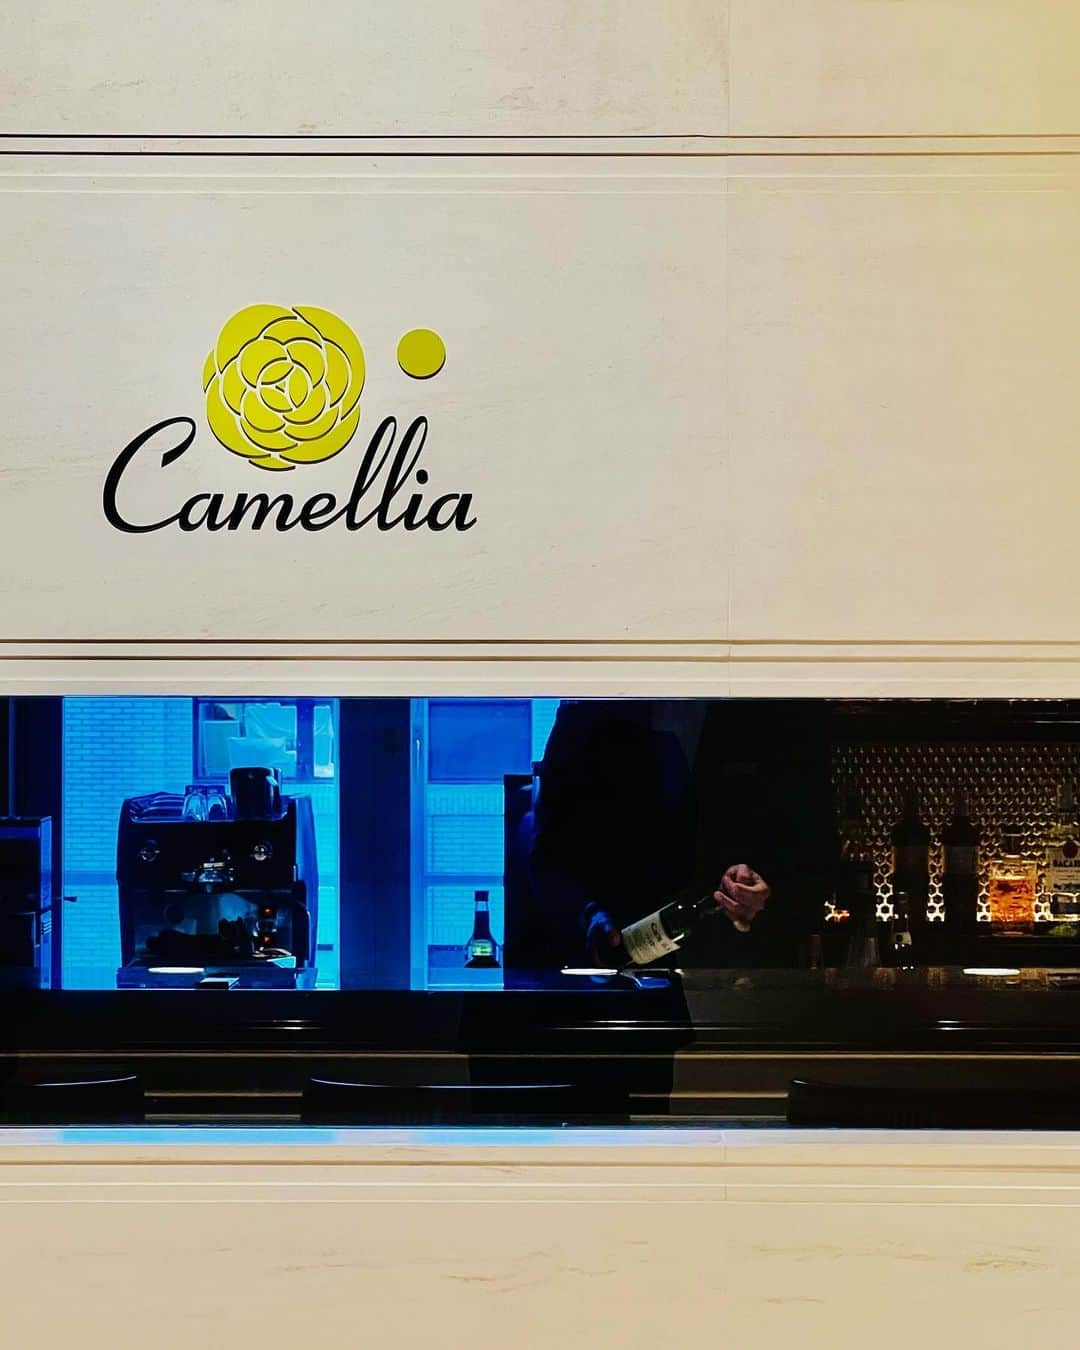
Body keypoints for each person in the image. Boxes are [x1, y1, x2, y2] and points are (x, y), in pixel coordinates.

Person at [527, 699, 837, 968]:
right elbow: (547, 859)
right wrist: (588, 913)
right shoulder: (591, 710)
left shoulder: (773, 706)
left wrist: (763, 890)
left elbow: (816, 855)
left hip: (737, 978)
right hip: (616, 974)